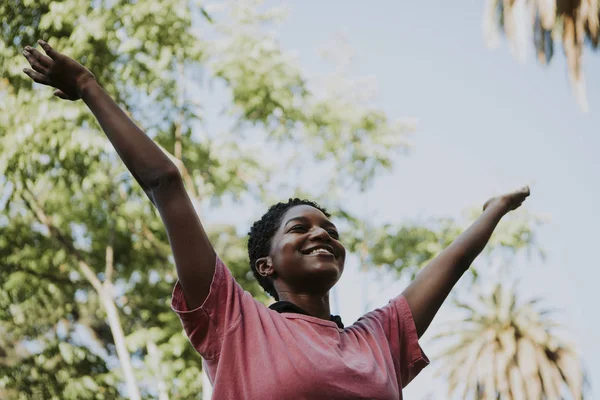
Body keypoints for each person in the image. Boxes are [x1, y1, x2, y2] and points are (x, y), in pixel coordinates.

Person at [22, 40, 530, 400]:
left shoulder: (378, 340)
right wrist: (88, 85)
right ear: (266, 266)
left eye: (330, 230)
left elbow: (447, 267)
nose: (321, 234)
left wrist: (494, 211)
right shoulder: (233, 319)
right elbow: (165, 184)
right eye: (301, 228)